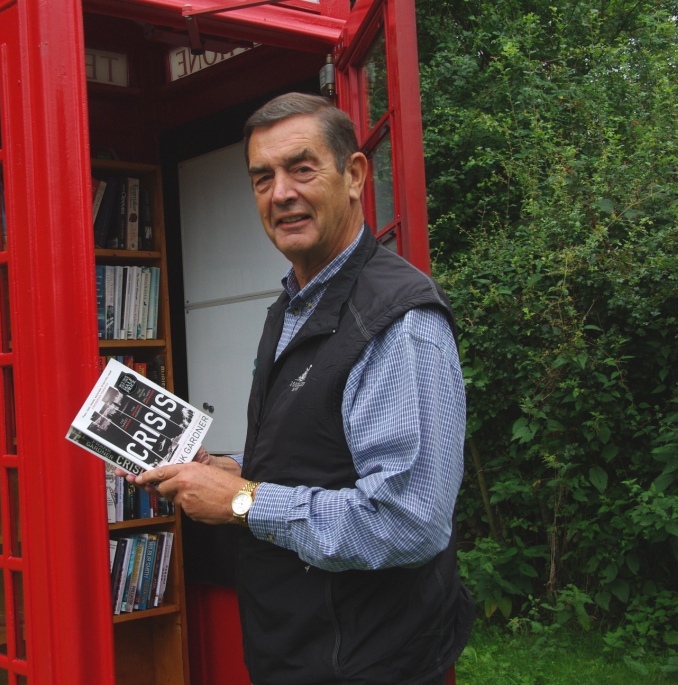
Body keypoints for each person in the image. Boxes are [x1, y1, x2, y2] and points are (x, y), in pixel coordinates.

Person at [129, 92, 473, 685]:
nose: (280, 192)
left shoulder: (398, 320)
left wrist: (240, 501)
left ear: (355, 175)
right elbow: (317, 452)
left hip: (370, 661)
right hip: (296, 648)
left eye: (302, 167)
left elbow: (409, 520)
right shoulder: (291, 304)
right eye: (262, 178)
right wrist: (227, 469)